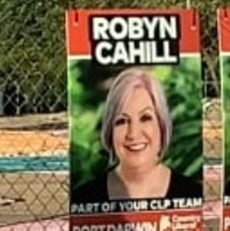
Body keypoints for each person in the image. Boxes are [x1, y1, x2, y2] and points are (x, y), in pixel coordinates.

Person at [71, 67, 201, 206]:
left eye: (145, 118)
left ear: (161, 124)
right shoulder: (82, 200)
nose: (133, 133)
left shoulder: (195, 196)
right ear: (110, 131)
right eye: (121, 121)